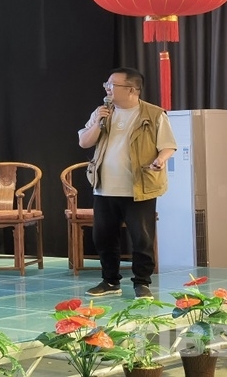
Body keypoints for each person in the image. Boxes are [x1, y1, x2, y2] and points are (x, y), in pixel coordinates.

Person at [78, 67, 177, 299]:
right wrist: (98, 122)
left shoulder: (154, 114)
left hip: (139, 187)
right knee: (103, 237)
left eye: (112, 85)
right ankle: (110, 281)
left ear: (132, 89)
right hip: (104, 187)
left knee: (142, 238)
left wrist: (160, 160)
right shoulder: (102, 112)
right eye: (107, 84)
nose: (107, 89)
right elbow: (84, 142)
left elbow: (168, 146)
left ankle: (142, 283)